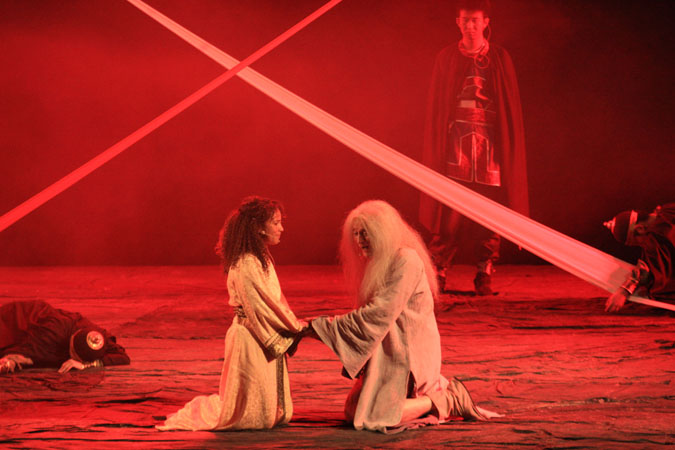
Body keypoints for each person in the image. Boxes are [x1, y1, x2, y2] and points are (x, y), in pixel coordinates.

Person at [308, 200, 500, 433]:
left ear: (382, 232)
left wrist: (316, 328)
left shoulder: (405, 259)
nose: (359, 240)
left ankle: (446, 400)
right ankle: (428, 400)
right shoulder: (376, 263)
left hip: (409, 355)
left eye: (366, 233)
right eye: (356, 234)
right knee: (352, 410)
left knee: (377, 417)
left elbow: (377, 314)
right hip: (388, 352)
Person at [157, 196, 306, 431]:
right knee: (254, 416)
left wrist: (293, 322)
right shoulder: (247, 263)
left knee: (267, 411)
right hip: (251, 334)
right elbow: (262, 306)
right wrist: (294, 326)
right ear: (259, 227)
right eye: (276, 223)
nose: (281, 228)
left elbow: (274, 300)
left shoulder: (260, 259)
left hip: (257, 332)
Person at [419, 0, 529, 295]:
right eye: (465, 20)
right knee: (450, 210)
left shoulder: (499, 57)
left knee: (490, 211)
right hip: (456, 143)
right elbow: (439, 107)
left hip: (490, 145)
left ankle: (485, 270)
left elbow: (507, 107)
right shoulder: (446, 57)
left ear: (485, 22)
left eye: (475, 21)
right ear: (458, 22)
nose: (470, 26)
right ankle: (439, 270)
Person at [0, 300, 130, 374]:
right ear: (71, 341)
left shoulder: (99, 338)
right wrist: (11, 360)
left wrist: (86, 365)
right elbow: (27, 351)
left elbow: (123, 358)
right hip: (18, 319)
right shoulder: (52, 334)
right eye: (73, 355)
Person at [604, 202, 674, 312]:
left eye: (637, 242)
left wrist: (623, 291)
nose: (642, 246)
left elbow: (644, 270)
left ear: (640, 229)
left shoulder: (655, 238)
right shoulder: (669, 210)